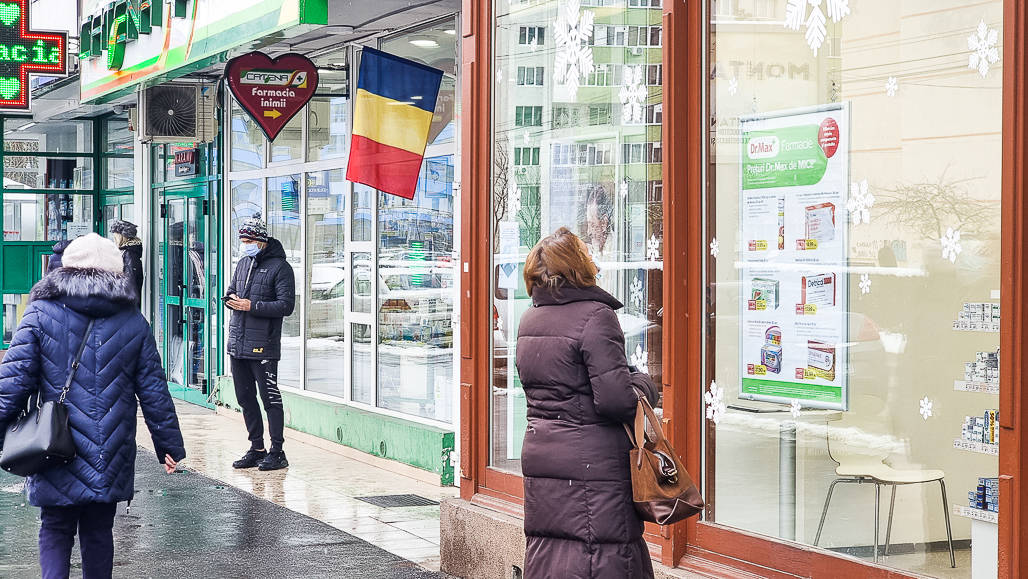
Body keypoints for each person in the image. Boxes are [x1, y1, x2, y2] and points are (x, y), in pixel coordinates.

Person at [0, 233, 186, 579]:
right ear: (115, 272)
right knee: (99, 530)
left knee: (55, 526)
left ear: (66, 267)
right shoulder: (133, 321)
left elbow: (13, 382)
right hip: (109, 447)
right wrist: (169, 445)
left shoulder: (40, 313)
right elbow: (154, 390)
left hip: (53, 442)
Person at [515, 227, 660, 579]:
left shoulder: (529, 320)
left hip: (544, 456)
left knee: (553, 550)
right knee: (603, 555)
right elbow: (616, 401)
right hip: (593, 467)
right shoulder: (596, 317)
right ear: (580, 266)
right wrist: (643, 383)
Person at [224, 213, 295, 471]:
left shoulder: (280, 268)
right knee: (245, 397)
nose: (245, 245)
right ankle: (256, 448)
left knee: (270, 399)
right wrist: (230, 298)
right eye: (242, 240)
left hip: (262, 345)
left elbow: (286, 306)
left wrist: (252, 305)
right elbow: (233, 289)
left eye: (248, 240)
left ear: (261, 240)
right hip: (238, 343)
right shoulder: (243, 263)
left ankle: (278, 451)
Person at [109, 220, 144, 307]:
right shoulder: (127, 252)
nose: (114, 240)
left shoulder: (129, 254)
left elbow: (131, 282)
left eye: (116, 236)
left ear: (123, 237)